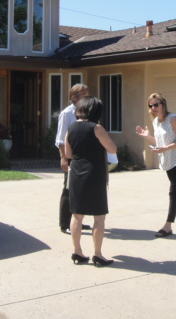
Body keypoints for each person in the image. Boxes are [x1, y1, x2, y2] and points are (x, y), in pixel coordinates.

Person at [136, 93, 176, 238]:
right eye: (150, 105)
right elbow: (160, 143)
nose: (153, 107)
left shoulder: (173, 119)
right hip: (168, 160)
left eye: (156, 104)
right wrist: (148, 136)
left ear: (163, 104)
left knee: (173, 191)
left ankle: (168, 226)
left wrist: (165, 149)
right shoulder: (156, 122)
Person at [64, 96, 117, 267]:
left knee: (76, 215)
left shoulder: (70, 129)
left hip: (76, 173)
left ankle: (77, 252)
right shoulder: (96, 128)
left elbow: (68, 154)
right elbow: (112, 148)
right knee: (99, 216)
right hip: (94, 173)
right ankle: (98, 254)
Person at [55, 84, 91, 234]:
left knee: (80, 189)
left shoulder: (84, 112)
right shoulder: (67, 114)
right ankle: (65, 223)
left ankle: (77, 221)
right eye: (84, 95)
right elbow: (60, 140)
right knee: (69, 189)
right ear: (75, 97)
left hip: (83, 157)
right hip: (70, 157)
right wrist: (63, 158)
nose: (87, 98)